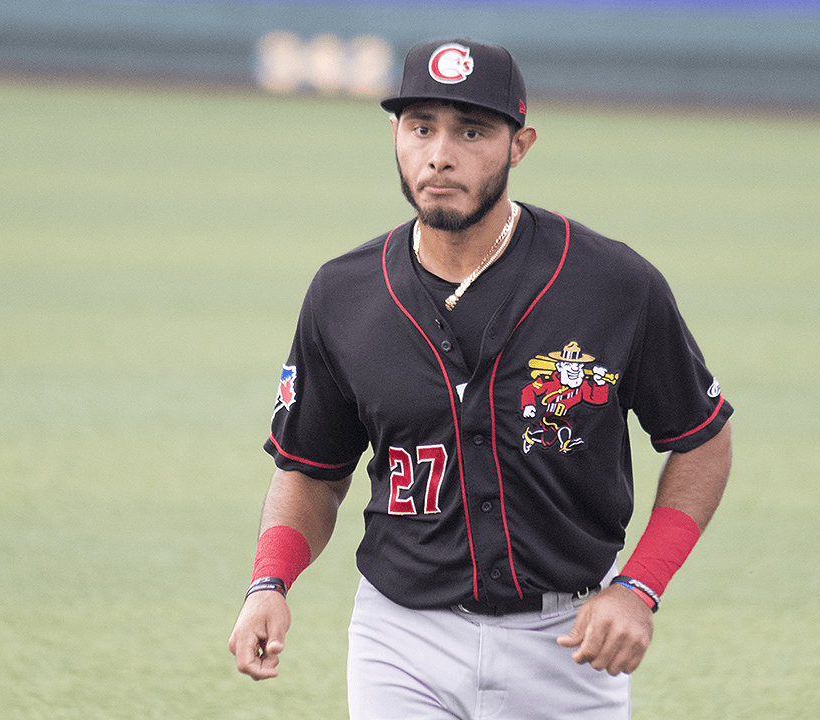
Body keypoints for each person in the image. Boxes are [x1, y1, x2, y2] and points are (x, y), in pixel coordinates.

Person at [229, 38, 733, 719]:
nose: (441, 154)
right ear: (395, 134)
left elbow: (700, 438)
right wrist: (270, 581)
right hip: (401, 638)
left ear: (519, 145)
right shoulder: (342, 293)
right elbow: (313, 469)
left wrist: (640, 587)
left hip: (570, 642)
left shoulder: (613, 284)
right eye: (421, 127)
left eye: (472, 131)